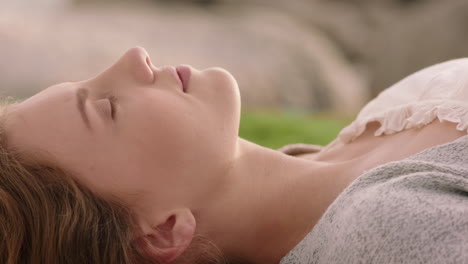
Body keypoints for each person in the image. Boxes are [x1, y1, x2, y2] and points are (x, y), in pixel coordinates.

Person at [0, 46, 467, 264]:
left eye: (84, 83)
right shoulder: (391, 228)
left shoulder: (338, 153)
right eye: (107, 106)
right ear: (162, 232)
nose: (132, 57)